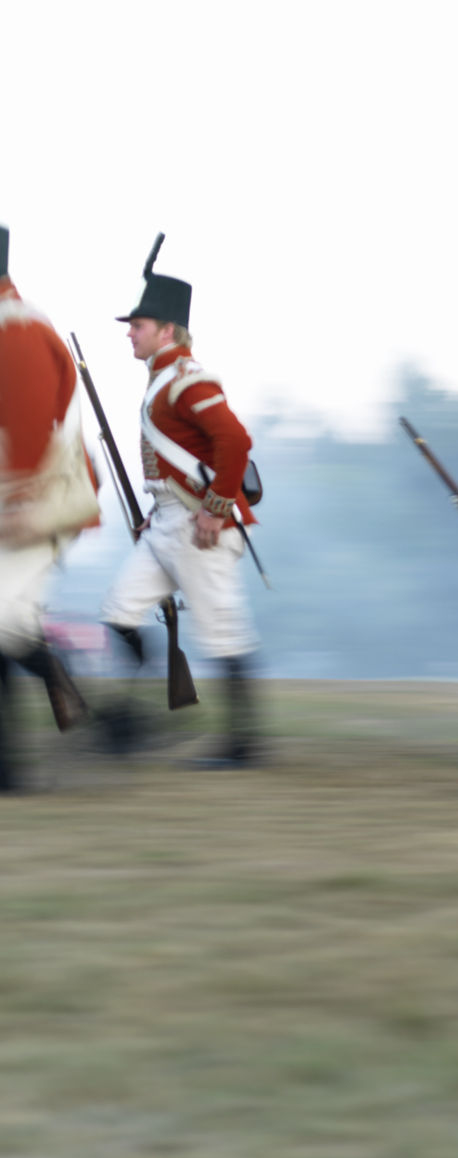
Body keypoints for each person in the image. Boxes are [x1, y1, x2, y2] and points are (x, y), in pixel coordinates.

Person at [100, 234, 263, 768]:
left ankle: (243, 745)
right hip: (168, 523)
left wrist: (215, 511)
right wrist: (158, 511)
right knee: (119, 612)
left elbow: (234, 442)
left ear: (167, 330)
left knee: (223, 631)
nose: (130, 335)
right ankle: (131, 722)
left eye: (138, 326)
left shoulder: (188, 379)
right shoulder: (161, 380)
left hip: (201, 527)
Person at [0, 225, 96, 789]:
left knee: (3, 626)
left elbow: (34, 425)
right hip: (18, 502)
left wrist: (17, 502)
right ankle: (10, 768)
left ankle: (59, 678)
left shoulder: (18, 328)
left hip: (34, 504)